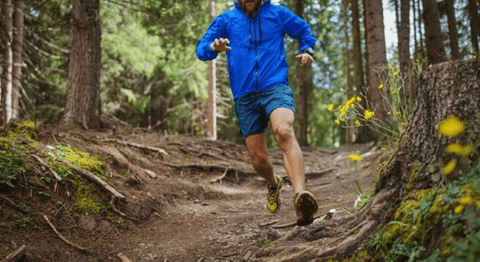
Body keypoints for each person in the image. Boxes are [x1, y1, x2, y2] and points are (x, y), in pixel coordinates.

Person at [196, 0, 318, 226]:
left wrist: (306, 49)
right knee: (258, 160)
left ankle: (301, 197)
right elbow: (201, 47)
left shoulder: (278, 14)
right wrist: (213, 48)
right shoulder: (226, 20)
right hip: (244, 95)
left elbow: (303, 30)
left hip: (275, 86)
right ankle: (274, 183)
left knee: (283, 131)